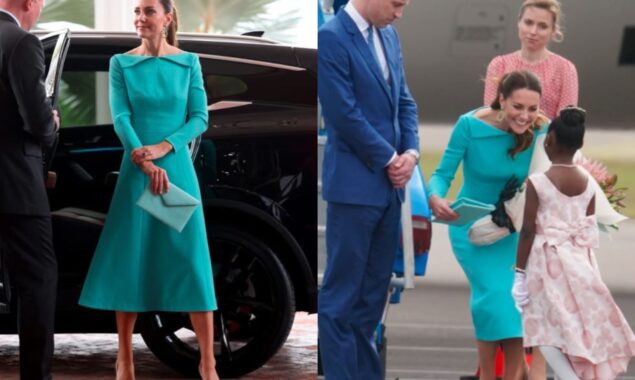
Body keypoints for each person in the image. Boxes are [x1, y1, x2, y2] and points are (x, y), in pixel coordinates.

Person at [77, 1, 218, 379]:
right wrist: (144, 160)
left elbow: (199, 117)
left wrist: (163, 148)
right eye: (136, 11)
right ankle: (125, 358)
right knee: (132, 261)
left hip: (175, 171)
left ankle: (208, 363)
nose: (140, 18)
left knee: (191, 262)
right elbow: (121, 117)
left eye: (148, 11)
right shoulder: (121, 63)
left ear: (167, 17)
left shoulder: (188, 62)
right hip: (137, 170)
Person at [317, 0, 419, 378]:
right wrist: (390, 159)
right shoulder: (331, 38)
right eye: (396, 4)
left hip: (388, 191)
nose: (399, 13)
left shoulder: (389, 36)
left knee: (371, 303)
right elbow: (343, 114)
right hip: (355, 189)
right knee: (341, 300)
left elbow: (404, 102)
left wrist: (411, 153)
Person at [429, 70, 549, 380]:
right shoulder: (469, 125)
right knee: (497, 294)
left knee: (509, 302)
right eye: (517, 107)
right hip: (471, 229)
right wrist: (435, 197)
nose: (525, 116)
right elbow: (442, 174)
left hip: (514, 232)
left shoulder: (542, 130)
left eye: (532, 108)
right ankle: (512, 372)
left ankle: (505, 374)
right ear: (501, 100)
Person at [513, 107, 635, 380]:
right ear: (580, 145)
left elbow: (528, 230)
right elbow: (588, 229)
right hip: (580, 261)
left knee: (541, 325)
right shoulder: (589, 183)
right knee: (573, 325)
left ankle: (568, 376)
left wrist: (519, 273)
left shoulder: (539, 182)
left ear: (549, 141)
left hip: (546, 262)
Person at [0, 0, 61, 378]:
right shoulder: (22, 43)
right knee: (38, 281)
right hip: (15, 189)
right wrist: (53, 121)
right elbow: (38, 123)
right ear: (30, 3)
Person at [484, 0, 577, 120]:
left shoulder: (565, 69)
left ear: (553, 30)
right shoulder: (499, 65)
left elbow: (566, 123)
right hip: (503, 137)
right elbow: (491, 117)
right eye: (528, 23)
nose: (533, 32)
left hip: (547, 138)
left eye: (542, 26)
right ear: (519, 22)